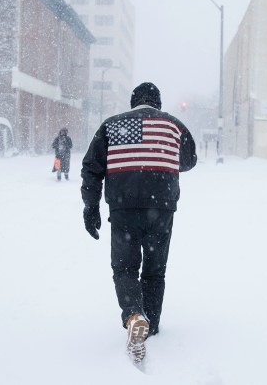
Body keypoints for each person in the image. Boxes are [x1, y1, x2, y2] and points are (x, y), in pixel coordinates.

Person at [80, 82, 197, 364]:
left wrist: (90, 207)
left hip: (124, 207)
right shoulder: (174, 126)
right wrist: (160, 155)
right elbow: (189, 161)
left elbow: (91, 168)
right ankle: (151, 326)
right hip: (162, 207)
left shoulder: (111, 126)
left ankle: (134, 316)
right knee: (155, 271)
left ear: (133, 102)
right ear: (157, 102)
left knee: (125, 267)